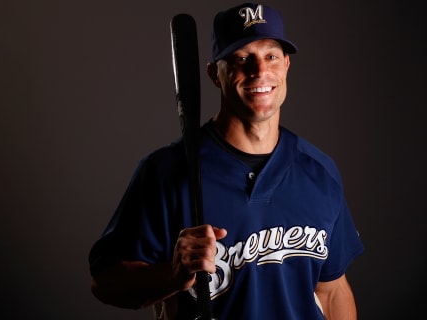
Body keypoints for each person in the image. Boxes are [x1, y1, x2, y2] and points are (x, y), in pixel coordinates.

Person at [89, 2, 364, 319]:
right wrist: (172, 275)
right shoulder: (167, 172)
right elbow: (105, 283)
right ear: (214, 75)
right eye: (241, 58)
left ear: (286, 65)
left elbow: (332, 292)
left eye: (271, 56)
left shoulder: (319, 172)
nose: (259, 71)